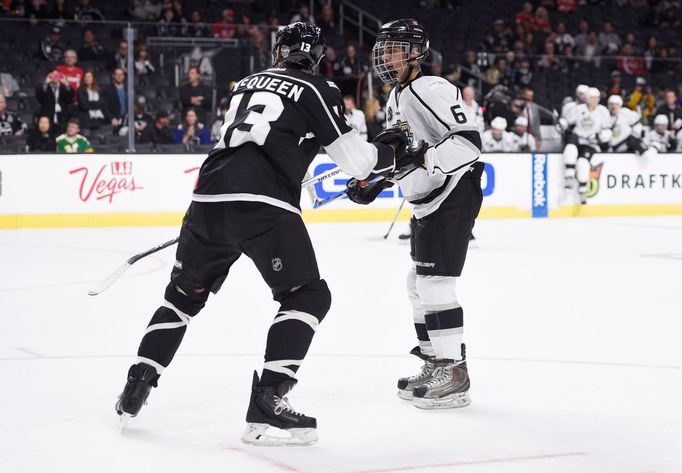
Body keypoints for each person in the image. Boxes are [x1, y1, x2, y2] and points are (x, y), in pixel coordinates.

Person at [114, 22, 411, 445]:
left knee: (180, 300)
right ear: (317, 57)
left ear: (279, 52)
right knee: (307, 295)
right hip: (263, 207)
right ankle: (268, 402)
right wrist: (391, 150)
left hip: (207, 200)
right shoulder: (316, 88)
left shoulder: (246, 83)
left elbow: (268, 136)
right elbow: (357, 162)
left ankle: (136, 386)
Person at [357, 19, 482, 409]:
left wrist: (423, 157)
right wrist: (377, 180)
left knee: (435, 283)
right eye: (385, 49)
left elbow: (468, 143)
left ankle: (453, 372)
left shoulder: (431, 88)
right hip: (430, 199)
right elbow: (411, 153)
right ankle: (435, 362)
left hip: (453, 193)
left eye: (395, 48)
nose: (387, 56)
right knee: (418, 283)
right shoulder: (398, 96)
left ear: (416, 53)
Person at [561, 87, 612, 204]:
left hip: (591, 142)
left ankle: (583, 188)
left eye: (597, 98)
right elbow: (566, 121)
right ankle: (569, 175)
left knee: (583, 163)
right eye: (593, 98)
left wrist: (598, 137)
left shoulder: (602, 111)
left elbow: (608, 131)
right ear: (588, 99)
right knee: (570, 149)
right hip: (577, 137)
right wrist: (561, 124)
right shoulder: (579, 109)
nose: (595, 100)